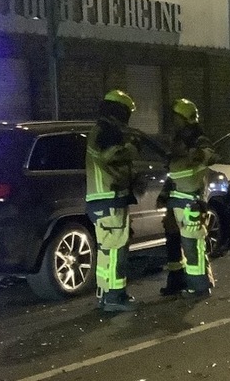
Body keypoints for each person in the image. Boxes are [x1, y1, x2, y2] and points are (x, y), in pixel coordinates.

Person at [85, 90, 141, 312]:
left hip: (102, 200)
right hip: (109, 200)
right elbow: (110, 156)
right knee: (117, 249)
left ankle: (105, 294)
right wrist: (132, 148)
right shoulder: (106, 132)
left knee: (107, 250)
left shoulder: (101, 130)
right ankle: (115, 297)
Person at [158, 98, 217, 299]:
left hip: (191, 199)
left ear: (186, 118)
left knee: (193, 244)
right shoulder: (176, 140)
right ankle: (176, 281)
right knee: (173, 243)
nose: (174, 121)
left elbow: (210, 156)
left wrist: (190, 152)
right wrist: (164, 195)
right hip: (175, 198)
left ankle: (200, 286)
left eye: (177, 117)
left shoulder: (199, 140)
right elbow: (172, 173)